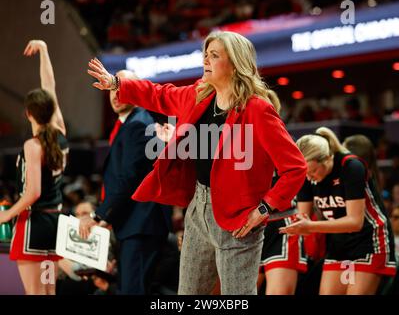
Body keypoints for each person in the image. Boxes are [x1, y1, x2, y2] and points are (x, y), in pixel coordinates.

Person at [87, 31, 307, 295]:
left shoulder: (257, 109)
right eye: (205, 54)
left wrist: (264, 208)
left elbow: (295, 168)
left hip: (238, 217)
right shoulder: (198, 96)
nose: (206, 60)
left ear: (236, 63)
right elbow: (160, 95)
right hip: (197, 208)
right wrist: (117, 84)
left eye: (214, 55)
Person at [79, 70, 172, 295]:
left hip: (141, 224)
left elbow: (130, 178)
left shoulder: (138, 124)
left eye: (122, 87)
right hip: (135, 223)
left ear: (137, 90)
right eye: (112, 88)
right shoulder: (132, 123)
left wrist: (99, 215)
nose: (115, 94)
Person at [280, 127, 397, 295]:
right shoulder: (306, 174)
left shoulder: (351, 166)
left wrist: (310, 226)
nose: (309, 177)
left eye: (313, 171)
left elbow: (355, 223)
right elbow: (303, 218)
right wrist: (296, 227)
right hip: (338, 243)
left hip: (369, 240)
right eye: (305, 173)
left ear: (327, 159)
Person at [0, 40, 67, 294]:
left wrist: (7, 215)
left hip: (34, 224)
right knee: (49, 292)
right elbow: (50, 86)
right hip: (55, 223)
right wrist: (45, 50)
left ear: (28, 113)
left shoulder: (33, 145)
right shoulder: (61, 131)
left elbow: (33, 193)